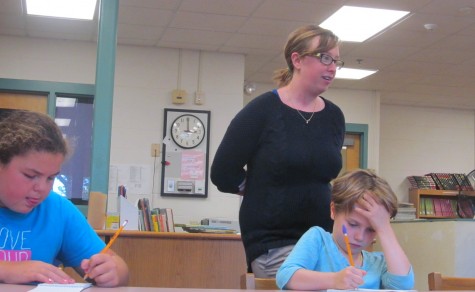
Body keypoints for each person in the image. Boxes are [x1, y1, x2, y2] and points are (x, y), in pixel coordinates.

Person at [211, 24, 345, 277]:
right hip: (273, 241)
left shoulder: (334, 116)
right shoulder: (262, 110)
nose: (332, 67)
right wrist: (261, 189)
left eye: (336, 61)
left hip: (323, 239)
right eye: (324, 57)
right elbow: (222, 172)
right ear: (297, 59)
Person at [0, 110, 129, 287]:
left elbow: (120, 269)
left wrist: (113, 271)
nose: (42, 188)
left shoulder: (57, 209)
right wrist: (7, 270)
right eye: (30, 175)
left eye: (51, 178)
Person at [276, 169, 415, 290]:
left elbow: (403, 285)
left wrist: (384, 228)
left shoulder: (379, 262)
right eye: (353, 224)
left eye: (371, 230)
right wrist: (334, 280)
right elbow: (285, 276)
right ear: (333, 211)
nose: (360, 237)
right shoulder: (318, 240)